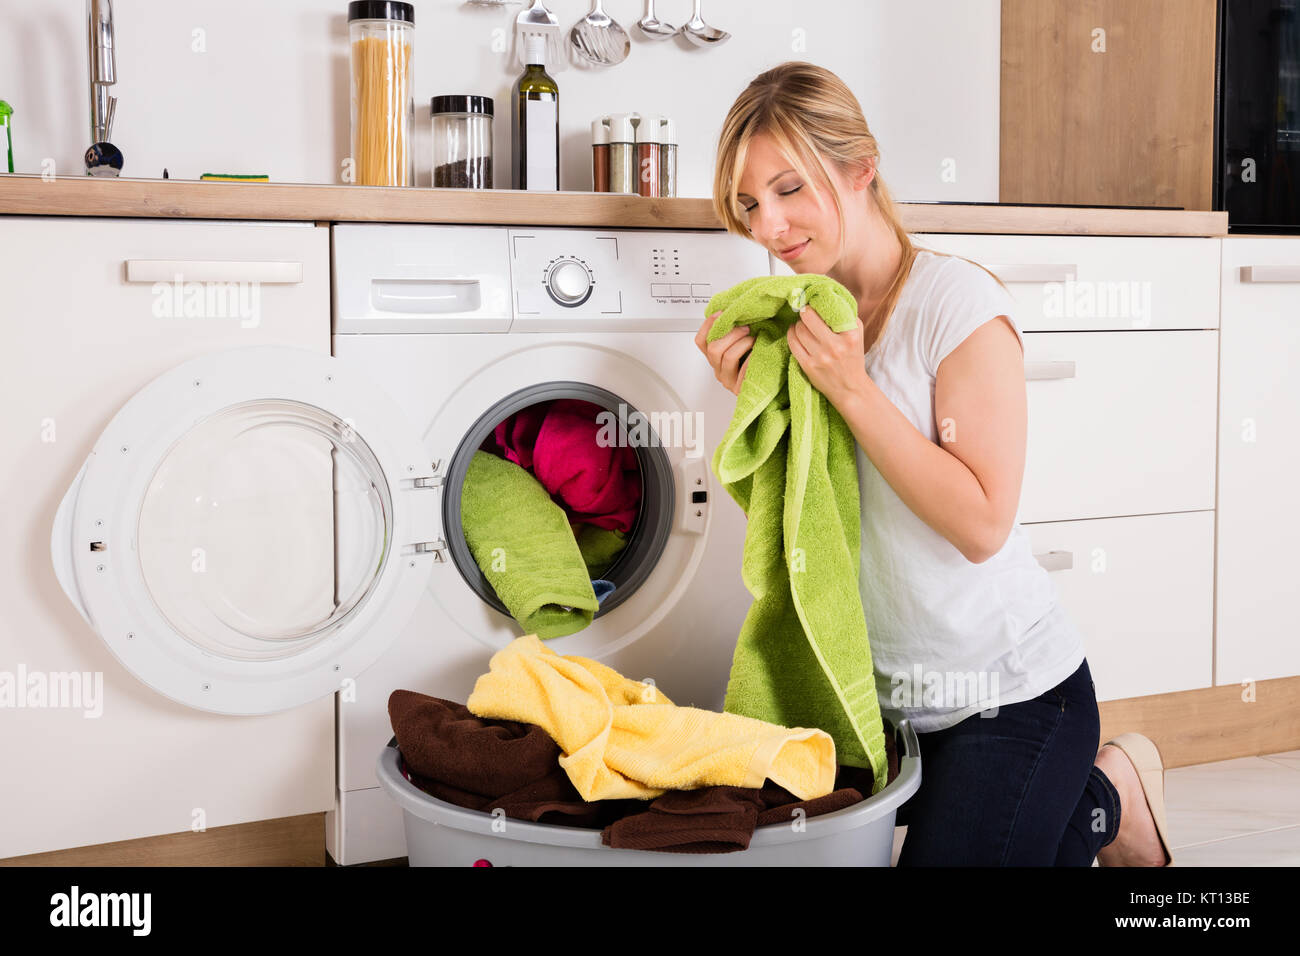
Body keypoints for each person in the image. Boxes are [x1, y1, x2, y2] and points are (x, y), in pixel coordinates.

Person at [695, 61, 1174, 867]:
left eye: (789, 189)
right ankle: (1093, 802)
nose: (769, 228)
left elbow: (983, 524)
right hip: (878, 706)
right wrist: (760, 409)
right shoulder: (802, 328)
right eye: (749, 204)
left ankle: (1109, 790)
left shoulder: (955, 307)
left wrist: (853, 391)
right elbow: (817, 524)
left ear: (861, 169)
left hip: (1012, 698)